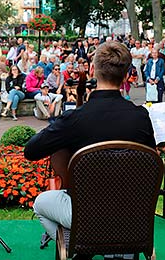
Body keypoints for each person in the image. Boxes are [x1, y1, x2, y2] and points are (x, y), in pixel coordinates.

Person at [24, 41, 156, 241]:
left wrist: (58, 128)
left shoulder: (75, 119)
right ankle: (118, 246)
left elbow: (31, 151)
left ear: (93, 70)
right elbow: (151, 165)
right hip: (131, 213)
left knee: (41, 203)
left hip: (86, 214)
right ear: (127, 74)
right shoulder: (141, 117)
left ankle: (75, 245)